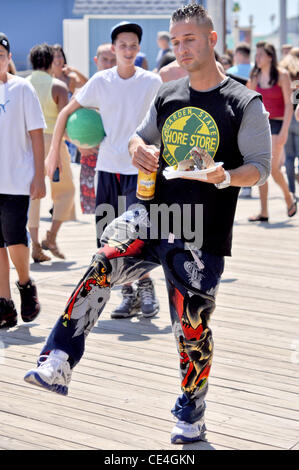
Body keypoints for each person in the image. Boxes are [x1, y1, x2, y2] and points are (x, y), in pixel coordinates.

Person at [24, 4, 271, 444]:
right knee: (102, 263)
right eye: (174, 41)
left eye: (188, 39)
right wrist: (139, 148)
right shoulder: (168, 93)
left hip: (201, 231)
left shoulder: (242, 101)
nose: (180, 48)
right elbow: (142, 135)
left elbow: (261, 166)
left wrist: (228, 176)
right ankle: (59, 358)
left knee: (190, 325)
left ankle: (191, 414)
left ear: (211, 40)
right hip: (153, 217)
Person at [47, 22, 162, 318]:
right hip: (108, 168)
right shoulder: (101, 80)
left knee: (137, 235)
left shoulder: (152, 82)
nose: (127, 50)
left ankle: (146, 289)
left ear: (138, 49)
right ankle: (127, 294)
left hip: (141, 172)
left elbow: (166, 121)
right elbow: (65, 113)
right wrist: (55, 152)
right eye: (121, 45)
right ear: (114, 48)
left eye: (132, 45)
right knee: (108, 236)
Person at [0, 33, 46, 328]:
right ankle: (4, 304)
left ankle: (26, 285)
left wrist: (40, 175)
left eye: (0, 56)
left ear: (8, 59)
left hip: (16, 179)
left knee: (14, 238)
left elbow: (37, 133)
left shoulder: (22, 88)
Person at [27, 44, 76, 262]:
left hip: (27, 143)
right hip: (53, 142)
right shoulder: (57, 86)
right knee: (66, 191)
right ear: (50, 62)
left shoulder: (23, 85)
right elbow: (64, 123)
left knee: (33, 196)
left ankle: (35, 245)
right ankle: (52, 236)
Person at [248, 41, 296, 221]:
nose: (257, 58)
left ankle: (288, 197)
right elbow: (248, 100)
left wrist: (284, 131)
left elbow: (288, 104)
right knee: (261, 169)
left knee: (274, 169)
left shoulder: (283, 75)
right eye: (256, 54)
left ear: (269, 56)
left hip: (277, 124)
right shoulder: (255, 76)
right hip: (260, 126)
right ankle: (264, 211)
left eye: (260, 54)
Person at [79, 43, 117, 215]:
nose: (109, 64)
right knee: (100, 211)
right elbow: (66, 120)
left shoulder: (124, 88)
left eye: (113, 60)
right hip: (92, 156)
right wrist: (78, 144)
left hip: (118, 157)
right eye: (105, 60)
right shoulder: (87, 89)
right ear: (96, 61)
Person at [227, 43, 254, 198]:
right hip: (251, 112)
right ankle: (248, 185)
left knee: (237, 149)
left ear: (238, 54)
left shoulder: (231, 71)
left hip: (235, 114)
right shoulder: (255, 69)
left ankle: (240, 184)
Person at [280, 48, 299, 197]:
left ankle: (292, 191)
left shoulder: (283, 71)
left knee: (289, 157)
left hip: (285, 117)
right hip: (298, 115)